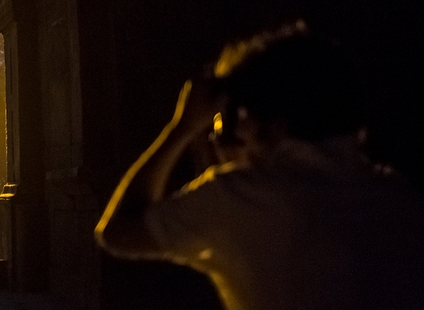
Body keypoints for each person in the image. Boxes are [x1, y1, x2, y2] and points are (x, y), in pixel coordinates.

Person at [95, 21, 424, 310]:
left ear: (276, 126)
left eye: (242, 118)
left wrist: (181, 128)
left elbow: (119, 232)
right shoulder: (401, 200)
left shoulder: (243, 199)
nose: (235, 130)